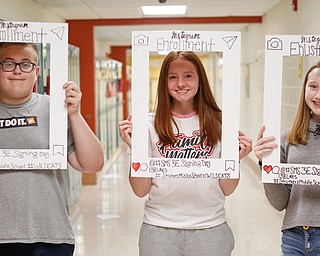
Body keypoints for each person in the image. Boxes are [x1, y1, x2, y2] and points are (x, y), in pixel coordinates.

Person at [119, 51, 252, 256]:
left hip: (210, 228)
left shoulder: (221, 123)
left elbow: (227, 189)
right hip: (158, 229)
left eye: (188, 76)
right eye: (173, 77)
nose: (180, 83)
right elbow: (140, 190)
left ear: (200, 80)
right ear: (164, 82)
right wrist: (135, 151)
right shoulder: (147, 124)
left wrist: (235, 160)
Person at [0, 42, 104, 256]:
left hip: (49, 237)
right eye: (8, 63)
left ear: (37, 72)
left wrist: (74, 114)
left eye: (26, 64)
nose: (18, 70)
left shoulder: (55, 108)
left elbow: (92, 164)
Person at [254, 60, 320, 255]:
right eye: (313, 86)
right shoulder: (288, 138)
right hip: (295, 237)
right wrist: (266, 164)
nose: (318, 95)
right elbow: (280, 202)